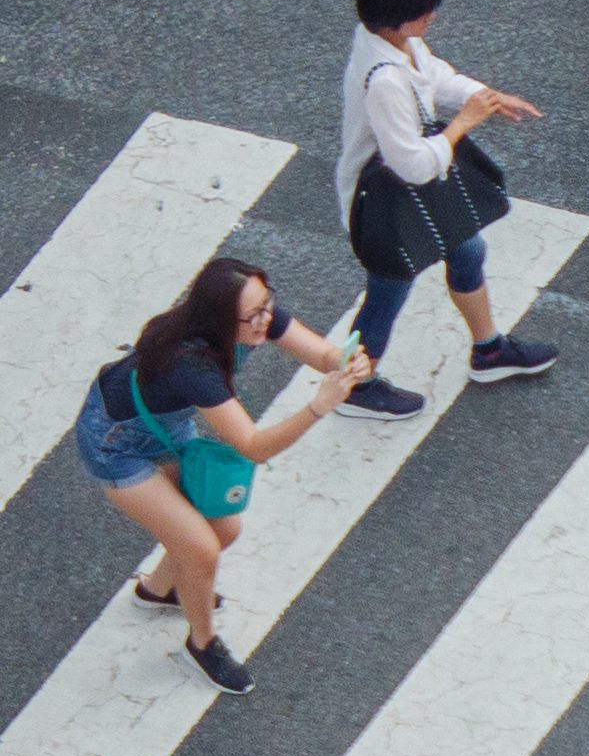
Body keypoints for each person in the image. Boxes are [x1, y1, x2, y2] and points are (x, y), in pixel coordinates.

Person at [72, 254, 369, 696]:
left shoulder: (250, 317)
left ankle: (158, 591)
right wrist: (317, 407)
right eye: (253, 315)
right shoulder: (191, 365)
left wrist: (346, 362)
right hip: (116, 444)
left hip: (163, 425)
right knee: (202, 550)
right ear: (218, 318)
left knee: (223, 529)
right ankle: (202, 642)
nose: (265, 322)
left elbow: (322, 352)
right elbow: (252, 445)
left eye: (268, 304)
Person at [333, 0, 553, 405]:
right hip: (384, 204)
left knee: (468, 249)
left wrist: (484, 97)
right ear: (396, 19)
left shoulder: (393, 43)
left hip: (411, 195)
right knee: (387, 292)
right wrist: (464, 124)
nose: (433, 16)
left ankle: (489, 350)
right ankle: (353, 386)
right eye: (425, 10)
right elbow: (412, 165)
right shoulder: (385, 82)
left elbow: (435, 78)